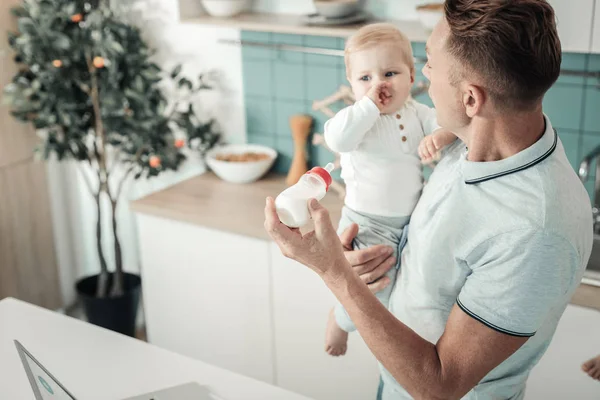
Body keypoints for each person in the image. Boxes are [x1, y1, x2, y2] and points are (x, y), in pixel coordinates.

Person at [264, 0, 593, 399]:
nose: (422, 74)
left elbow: (439, 386)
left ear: (471, 99)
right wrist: (361, 268)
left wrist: (334, 273)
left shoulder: (536, 231)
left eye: (431, 65)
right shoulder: (465, 143)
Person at [323, 22, 456, 357]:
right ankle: (340, 320)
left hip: (409, 224)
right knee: (370, 291)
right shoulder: (357, 119)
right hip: (366, 223)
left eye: (390, 73)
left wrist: (438, 137)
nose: (379, 84)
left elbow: (448, 125)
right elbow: (336, 138)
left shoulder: (418, 113)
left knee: (400, 294)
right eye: (365, 78)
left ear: (412, 77)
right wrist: (367, 106)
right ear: (352, 85)